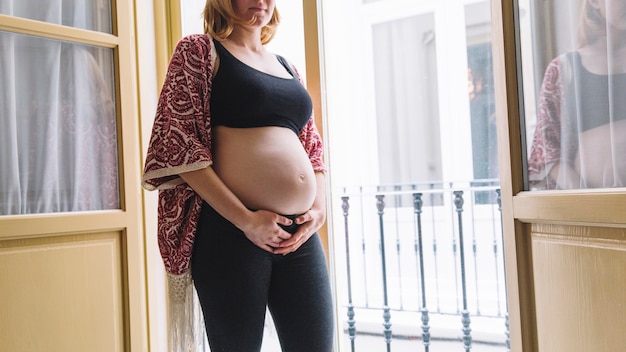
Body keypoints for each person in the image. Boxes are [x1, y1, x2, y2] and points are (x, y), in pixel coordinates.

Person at [141, 0, 334, 351]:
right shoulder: (199, 51)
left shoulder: (286, 66)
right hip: (230, 231)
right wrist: (246, 220)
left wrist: (318, 211)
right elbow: (181, 146)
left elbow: (313, 149)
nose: (259, 1)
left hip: (300, 235)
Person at [527, 0, 626, 190]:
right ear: (594, 2)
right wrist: (579, 195)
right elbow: (547, 146)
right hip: (589, 209)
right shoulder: (563, 69)